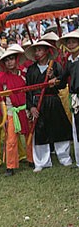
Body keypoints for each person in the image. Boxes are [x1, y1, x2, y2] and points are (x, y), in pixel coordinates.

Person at [25, 41, 72, 172]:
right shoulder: (31, 70)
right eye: (36, 51)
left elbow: (62, 84)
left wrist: (54, 78)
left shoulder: (55, 66)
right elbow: (28, 90)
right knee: (40, 131)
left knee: (59, 128)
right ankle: (42, 161)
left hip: (53, 100)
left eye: (40, 50)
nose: (37, 53)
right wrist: (31, 107)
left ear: (46, 52)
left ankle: (64, 157)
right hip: (37, 102)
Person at [0, 47, 31, 176]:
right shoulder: (2, 79)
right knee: (11, 139)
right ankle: (10, 165)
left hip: (24, 109)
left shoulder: (24, 75)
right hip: (11, 112)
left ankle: (31, 159)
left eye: (11, 59)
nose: (9, 62)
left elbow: (29, 93)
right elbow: (1, 99)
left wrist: (29, 108)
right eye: (6, 60)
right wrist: (5, 116)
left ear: (16, 60)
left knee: (29, 136)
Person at [58, 29, 79, 168]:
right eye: (68, 42)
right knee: (77, 129)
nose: (71, 45)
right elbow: (62, 80)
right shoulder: (69, 61)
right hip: (75, 98)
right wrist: (55, 80)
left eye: (73, 42)